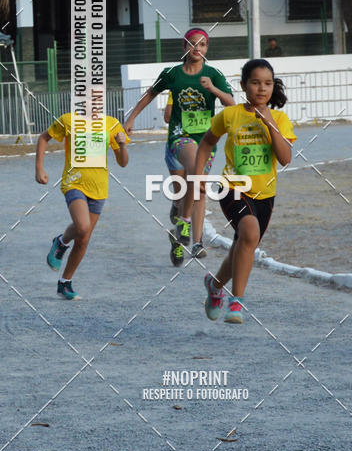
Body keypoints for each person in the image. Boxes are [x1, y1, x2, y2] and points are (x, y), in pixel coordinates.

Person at [195, 58, 296, 324]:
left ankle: (215, 285)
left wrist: (269, 122)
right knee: (249, 233)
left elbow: (285, 159)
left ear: (273, 87)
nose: (262, 88)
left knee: (244, 245)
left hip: (265, 195)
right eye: (255, 82)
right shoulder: (230, 115)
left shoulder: (280, 119)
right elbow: (206, 142)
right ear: (243, 85)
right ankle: (236, 303)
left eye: (268, 83)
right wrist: (199, 175)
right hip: (232, 187)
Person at [125, 28, 234, 266]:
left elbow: (231, 103)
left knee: (198, 189)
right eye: (193, 44)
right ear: (184, 47)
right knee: (191, 179)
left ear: (207, 49)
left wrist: (213, 89)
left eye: (202, 45)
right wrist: (131, 118)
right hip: (180, 137)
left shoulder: (213, 74)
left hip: (206, 139)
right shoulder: (172, 74)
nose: (198, 48)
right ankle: (183, 220)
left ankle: (193, 241)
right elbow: (150, 94)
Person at [36, 113, 130, 299]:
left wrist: (122, 145)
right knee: (82, 226)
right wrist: (39, 168)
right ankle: (61, 242)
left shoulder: (111, 123)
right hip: (74, 182)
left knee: (83, 240)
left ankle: (65, 282)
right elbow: (43, 138)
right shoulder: (68, 119)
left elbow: (123, 163)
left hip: (99, 188)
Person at [163, 91, 206, 256]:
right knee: (183, 192)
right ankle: (178, 242)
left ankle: (197, 244)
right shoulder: (178, 88)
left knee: (199, 192)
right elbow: (167, 117)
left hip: (201, 144)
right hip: (178, 143)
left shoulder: (208, 87)